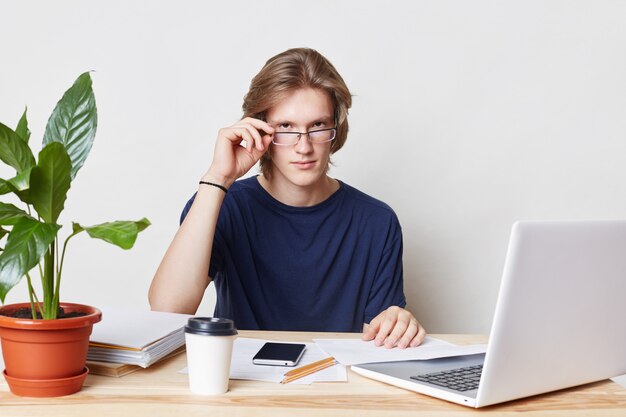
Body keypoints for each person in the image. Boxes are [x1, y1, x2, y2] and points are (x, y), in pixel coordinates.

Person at [149, 48, 426, 349]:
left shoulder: (376, 221)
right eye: (286, 128)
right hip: (241, 383)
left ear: (336, 127)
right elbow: (167, 311)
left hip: (336, 384)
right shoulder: (222, 205)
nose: (303, 147)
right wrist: (218, 178)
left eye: (317, 126)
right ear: (259, 130)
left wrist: (397, 324)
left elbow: (377, 337)